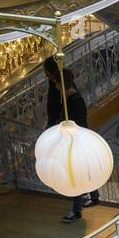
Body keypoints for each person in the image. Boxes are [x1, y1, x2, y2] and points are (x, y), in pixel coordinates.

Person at [42, 59, 100, 222]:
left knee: (75, 174)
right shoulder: (70, 99)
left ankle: (77, 210)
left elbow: (79, 122)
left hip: (76, 142)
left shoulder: (74, 101)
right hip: (76, 141)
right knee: (83, 170)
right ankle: (93, 197)